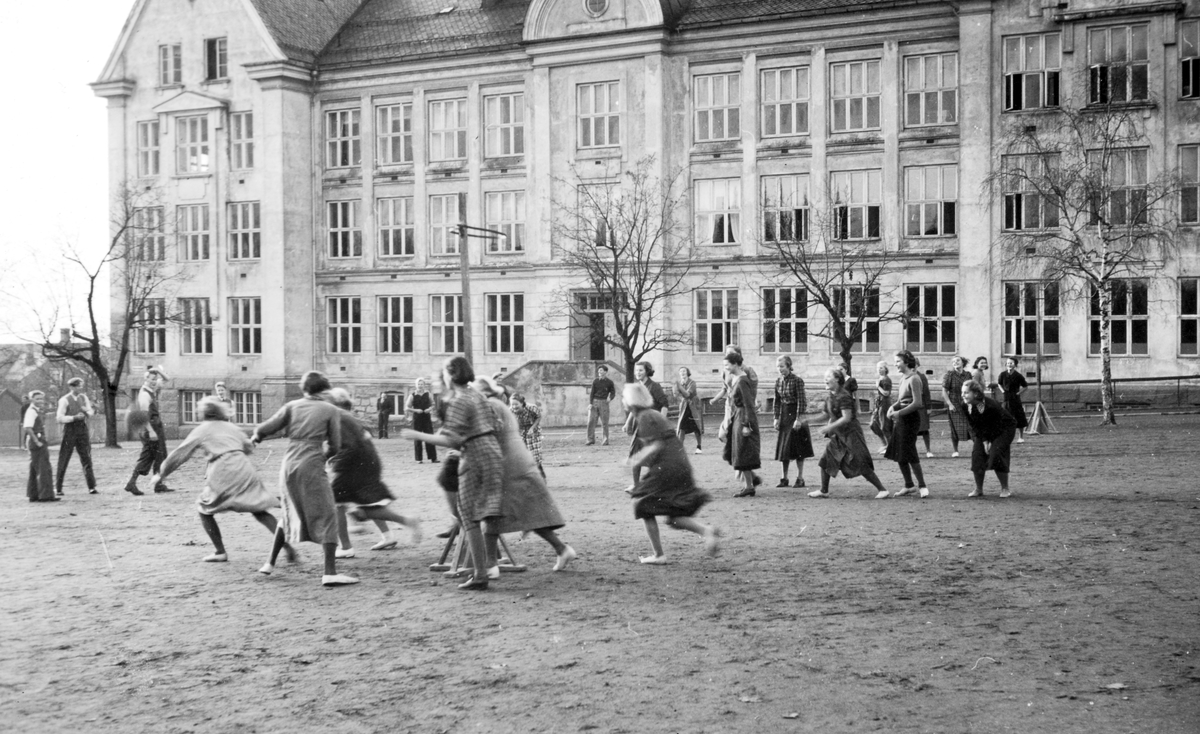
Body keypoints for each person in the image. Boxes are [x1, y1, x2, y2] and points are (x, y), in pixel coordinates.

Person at [401, 356, 504, 591]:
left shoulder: (459, 400)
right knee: (490, 512)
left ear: (452, 374)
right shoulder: (477, 395)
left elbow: (451, 439)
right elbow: (497, 425)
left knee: (468, 515)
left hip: (474, 454)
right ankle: (488, 565)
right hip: (492, 452)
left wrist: (419, 436)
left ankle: (480, 574)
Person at [151, 397, 292, 563]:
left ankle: (220, 551)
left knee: (204, 508)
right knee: (259, 509)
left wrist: (161, 474)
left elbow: (181, 454)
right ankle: (286, 547)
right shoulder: (231, 427)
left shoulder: (202, 430)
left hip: (222, 469)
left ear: (204, 414)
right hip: (244, 468)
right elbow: (247, 448)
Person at [253, 370, 357, 587]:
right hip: (311, 463)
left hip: (288, 464)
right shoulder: (330, 409)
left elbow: (265, 428)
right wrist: (323, 457)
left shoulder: (292, 406)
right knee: (328, 513)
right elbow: (336, 445)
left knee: (290, 512)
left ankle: (269, 564)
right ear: (325, 390)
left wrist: (256, 437)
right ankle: (330, 572)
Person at [476, 376, 575, 572]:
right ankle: (562, 549)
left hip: (508, 467)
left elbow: (487, 438)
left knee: (491, 513)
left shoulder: (491, 407)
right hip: (519, 465)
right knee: (529, 515)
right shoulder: (499, 406)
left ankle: (490, 565)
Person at [624, 383, 719, 564]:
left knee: (642, 505)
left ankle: (659, 555)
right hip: (680, 463)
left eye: (624, 397)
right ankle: (706, 531)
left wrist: (633, 461)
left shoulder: (644, 417)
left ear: (631, 402)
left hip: (667, 466)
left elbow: (656, 446)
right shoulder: (652, 414)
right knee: (673, 518)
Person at [325, 388, 420, 553]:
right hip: (368, 461)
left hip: (357, 462)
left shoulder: (338, 417)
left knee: (337, 503)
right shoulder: (347, 417)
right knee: (369, 502)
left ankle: (346, 547)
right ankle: (390, 533)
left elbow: (349, 447)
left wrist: (334, 463)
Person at [809, 369, 891, 499]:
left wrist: (829, 427)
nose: (825, 379)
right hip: (839, 435)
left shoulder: (844, 396)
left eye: (828, 376)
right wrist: (808, 420)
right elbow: (825, 415)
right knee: (826, 459)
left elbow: (846, 417)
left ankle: (882, 490)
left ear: (837, 379)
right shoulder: (830, 396)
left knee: (859, 461)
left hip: (851, 434)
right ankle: (824, 490)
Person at [960, 379, 1019, 498]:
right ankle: (978, 489)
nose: (963, 395)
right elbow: (974, 425)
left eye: (966, 392)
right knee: (977, 455)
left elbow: (996, 426)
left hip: (1004, 429)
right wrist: (984, 440)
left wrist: (990, 442)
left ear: (975, 394)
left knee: (996, 453)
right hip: (984, 432)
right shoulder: (965, 405)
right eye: (962, 392)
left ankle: (1005, 488)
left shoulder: (991, 405)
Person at [885, 350, 930, 498]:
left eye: (898, 361)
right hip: (902, 418)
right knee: (899, 451)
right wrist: (893, 407)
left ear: (906, 362)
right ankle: (908, 485)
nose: (895, 364)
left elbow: (918, 403)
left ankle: (922, 485)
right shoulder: (903, 378)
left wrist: (899, 413)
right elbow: (901, 400)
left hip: (911, 419)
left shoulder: (915, 379)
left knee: (910, 452)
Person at [124, 366, 173, 496]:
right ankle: (131, 483)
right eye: (151, 379)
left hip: (156, 427)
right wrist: (151, 432)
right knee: (147, 457)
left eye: (155, 379)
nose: (154, 381)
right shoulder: (145, 394)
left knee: (159, 456)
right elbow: (145, 417)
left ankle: (158, 484)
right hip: (150, 429)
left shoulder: (151, 389)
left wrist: (158, 370)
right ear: (145, 379)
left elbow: (167, 379)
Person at [623, 361, 668, 491]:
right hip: (640, 427)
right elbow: (635, 408)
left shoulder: (654, 386)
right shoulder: (637, 387)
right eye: (636, 370)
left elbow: (664, 405)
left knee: (653, 457)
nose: (638, 373)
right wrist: (627, 423)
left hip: (652, 427)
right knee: (635, 455)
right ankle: (636, 485)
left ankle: (656, 485)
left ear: (647, 371)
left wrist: (662, 424)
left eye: (641, 370)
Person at [723, 351, 762, 497]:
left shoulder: (742, 380)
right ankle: (750, 484)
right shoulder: (737, 379)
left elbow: (748, 404)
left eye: (727, 365)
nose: (726, 368)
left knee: (743, 451)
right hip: (738, 417)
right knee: (739, 451)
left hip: (743, 418)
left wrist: (746, 424)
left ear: (735, 364)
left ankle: (749, 486)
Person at [772, 355, 813, 488]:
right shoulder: (778, 381)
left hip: (795, 415)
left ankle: (800, 478)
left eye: (782, 366)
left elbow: (802, 401)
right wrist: (776, 417)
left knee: (798, 448)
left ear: (789, 366)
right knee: (784, 449)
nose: (780, 369)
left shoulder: (797, 381)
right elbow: (777, 401)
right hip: (784, 416)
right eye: (778, 366)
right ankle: (784, 478)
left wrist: (798, 419)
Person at [55, 377, 97, 495]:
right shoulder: (64, 400)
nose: (80, 388)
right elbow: (59, 418)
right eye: (78, 385)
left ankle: (91, 487)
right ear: (72, 387)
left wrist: (85, 411)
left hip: (82, 429)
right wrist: (73, 418)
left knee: (86, 458)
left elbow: (90, 412)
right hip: (70, 430)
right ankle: (58, 488)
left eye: (81, 385)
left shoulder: (83, 398)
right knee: (64, 458)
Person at [713, 345, 758, 444]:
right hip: (730, 405)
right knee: (722, 435)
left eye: (730, 353)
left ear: (738, 355)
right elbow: (725, 387)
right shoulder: (726, 370)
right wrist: (715, 399)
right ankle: (735, 452)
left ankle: (738, 454)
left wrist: (753, 403)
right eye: (726, 353)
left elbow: (752, 390)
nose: (727, 355)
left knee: (740, 433)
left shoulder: (747, 370)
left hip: (742, 406)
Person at [24, 391, 58, 503]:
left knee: (35, 468)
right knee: (44, 468)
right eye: (37, 399)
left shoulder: (36, 411)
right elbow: (28, 428)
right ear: (31, 400)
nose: (40, 401)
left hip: (38, 440)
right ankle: (45, 495)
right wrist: (36, 441)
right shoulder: (31, 412)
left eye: (41, 399)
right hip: (37, 441)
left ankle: (34, 494)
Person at [942, 356, 973, 458]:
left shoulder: (968, 375)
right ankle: (955, 451)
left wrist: (971, 404)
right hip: (954, 405)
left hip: (967, 403)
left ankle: (978, 449)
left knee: (972, 426)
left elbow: (972, 389)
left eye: (957, 360)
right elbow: (944, 391)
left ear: (962, 362)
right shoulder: (949, 375)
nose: (955, 363)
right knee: (955, 429)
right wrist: (950, 404)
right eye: (953, 361)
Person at [510, 393, 545, 479]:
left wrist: (533, 428)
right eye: (512, 404)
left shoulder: (531, 408)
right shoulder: (510, 411)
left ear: (522, 403)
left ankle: (541, 476)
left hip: (533, 431)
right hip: (520, 431)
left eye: (516, 404)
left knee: (534, 455)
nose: (514, 407)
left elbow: (539, 417)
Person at [405, 378, 438, 464]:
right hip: (417, 418)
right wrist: (416, 410)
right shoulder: (412, 395)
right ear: (416, 385)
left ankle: (433, 458)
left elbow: (433, 404)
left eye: (422, 384)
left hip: (426, 417)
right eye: (418, 384)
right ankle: (419, 459)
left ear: (424, 385)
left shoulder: (428, 394)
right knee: (418, 438)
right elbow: (407, 408)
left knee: (430, 437)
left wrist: (429, 409)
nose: (420, 386)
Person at [997, 356, 1029, 443]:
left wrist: (1018, 393)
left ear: (1015, 365)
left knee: (1019, 417)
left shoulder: (1018, 376)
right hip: (1006, 398)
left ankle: (1021, 437)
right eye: (1008, 363)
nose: (1009, 365)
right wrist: (1003, 391)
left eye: (1011, 363)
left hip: (1015, 398)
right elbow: (999, 384)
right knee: (1004, 416)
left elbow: (1025, 386)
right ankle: (1005, 437)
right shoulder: (1002, 374)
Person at [674, 367, 704, 454]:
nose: (682, 373)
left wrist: (679, 388)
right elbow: (676, 395)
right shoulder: (678, 383)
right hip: (684, 408)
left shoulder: (692, 383)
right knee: (682, 427)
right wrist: (680, 396)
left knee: (696, 427)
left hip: (693, 407)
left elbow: (687, 394)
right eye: (680, 371)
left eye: (684, 371)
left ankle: (699, 446)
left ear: (687, 373)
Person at [585, 365, 616, 446]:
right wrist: (590, 403)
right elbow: (592, 393)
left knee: (604, 422)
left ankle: (605, 440)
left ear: (605, 372)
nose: (599, 372)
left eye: (601, 370)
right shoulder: (595, 381)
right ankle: (590, 439)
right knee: (591, 421)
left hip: (604, 403)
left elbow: (613, 392)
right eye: (599, 371)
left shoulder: (609, 382)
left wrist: (610, 398)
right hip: (595, 402)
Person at [869, 360, 892, 455]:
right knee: (873, 424)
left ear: (886, 369)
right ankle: (884, 444)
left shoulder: (886, 379)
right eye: (878, 368)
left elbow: (886, 393)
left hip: (884, 404)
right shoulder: (880, 378)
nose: (879, 369)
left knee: (884, 426)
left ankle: (890, 447)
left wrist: (878, 386)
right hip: (878, 404)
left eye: (881, 367)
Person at [914, 358, 934, 458]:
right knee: (911, 430)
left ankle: (928, 450)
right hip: (910, 406)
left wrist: (928, 406)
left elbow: (926, 392)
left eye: (915, 364)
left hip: (921, 406)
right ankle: (912, 451)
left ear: (918, 365)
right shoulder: (906, 376)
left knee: (924, 429)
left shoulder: (922, 377)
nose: (913, 366)